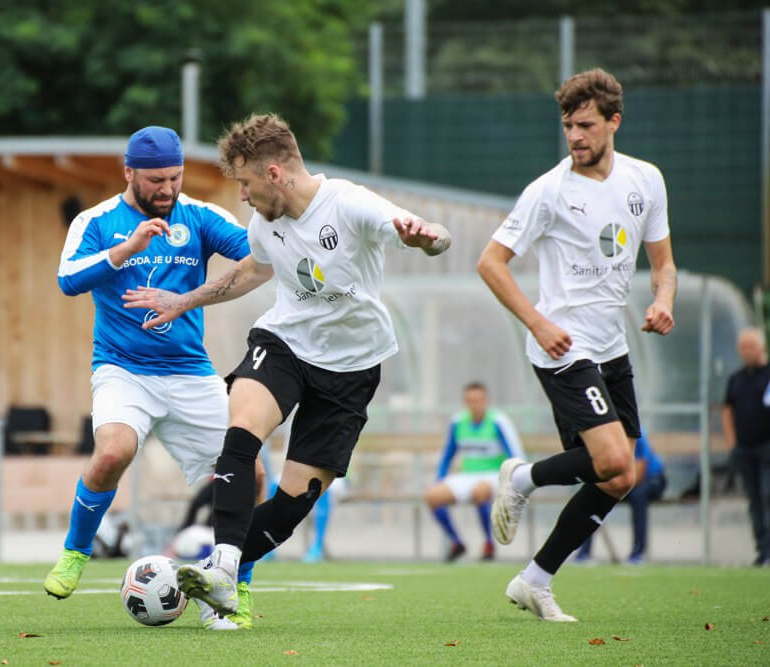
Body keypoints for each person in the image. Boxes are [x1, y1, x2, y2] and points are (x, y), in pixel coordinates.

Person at [123, 112, 452, 621]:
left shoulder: (349, 203)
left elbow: (433, 235)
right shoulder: (265, 223)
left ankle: (221, 574)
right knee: (241, 432)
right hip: (285, 343)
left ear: (274, 173)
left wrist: (428, 237)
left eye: (245, 183)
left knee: (293, 504)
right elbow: (252, 270)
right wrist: (183, 301)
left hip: (352, 368)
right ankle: (224, 569)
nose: (243, 196)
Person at [44, 126, 265, 631]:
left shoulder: (201, 216)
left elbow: (258, 256)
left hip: (190, 371)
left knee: (250, 474)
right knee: (112, 453)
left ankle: (234, 588)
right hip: (122, 369)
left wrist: (194, 296)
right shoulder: (97, 220)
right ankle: (76, 552)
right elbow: (68, 280)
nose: (167, 189)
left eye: (174, 177)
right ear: (129, 173)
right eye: (155, 180)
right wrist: (127, 248)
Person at [476, 68, 677, 622]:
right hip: (562, 347)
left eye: (585, 125)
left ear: (614, 122)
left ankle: (534, 580)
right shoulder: (549, 191)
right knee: (611, 459)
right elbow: (490, 263)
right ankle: (521, 479)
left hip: (612, 346)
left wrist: (663, 300)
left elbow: (663, 264)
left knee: (620, 476)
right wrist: (537, 323)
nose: (574, 136)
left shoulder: (645, 180)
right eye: (568, 126)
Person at [423, 382, 524, 562]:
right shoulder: (458, 422)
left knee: (480, 491)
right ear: (465, 402)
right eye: (470, 400)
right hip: (467, 475)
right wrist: (440, 478)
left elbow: (515, 454)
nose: (475, 404)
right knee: (433, 496)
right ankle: (457, 543)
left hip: (495, 475)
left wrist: (515, 482)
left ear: (485, 400)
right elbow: (448, 454)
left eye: (478, 400)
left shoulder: (498, 421)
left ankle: (488, 543)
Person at [574, 429, 666, 564]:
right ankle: (584, 554)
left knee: (638, 495)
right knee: (593, 497)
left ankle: (638, 554)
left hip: (652, 479)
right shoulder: (604, 436)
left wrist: (615, 487)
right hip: (625, 481)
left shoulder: (636, 434)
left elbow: (639, 474)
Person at [721, 327, 770, 566]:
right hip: (745, 449)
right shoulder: (736, 379)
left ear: (762, 347)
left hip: (767, 447)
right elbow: (727, 410)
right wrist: (733, 444)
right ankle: (763, 551)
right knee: (754, 500)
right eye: (742, 347)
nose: (746, 351)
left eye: (750, 346)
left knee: (768, 495)